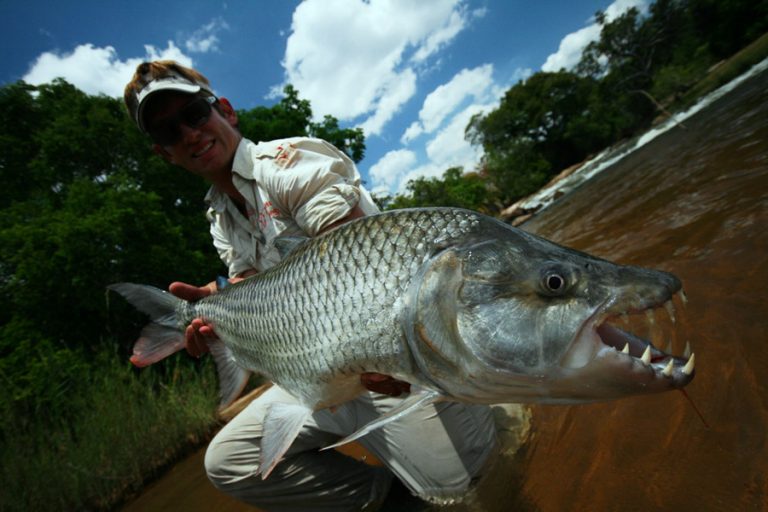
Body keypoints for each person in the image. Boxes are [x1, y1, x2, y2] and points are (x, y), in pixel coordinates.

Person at [123, 60, 498, 511]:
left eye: (195, 115)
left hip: (384, 362)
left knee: (466, 492)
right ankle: (388, 498)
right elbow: (250, 282)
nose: (188, 133)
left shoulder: (289, 163)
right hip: (317, 368)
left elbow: (359, 260)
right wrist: (218, 303)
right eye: (168, 132)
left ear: (225, 111)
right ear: (165, 153)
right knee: (229, 462)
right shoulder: (220, 217)